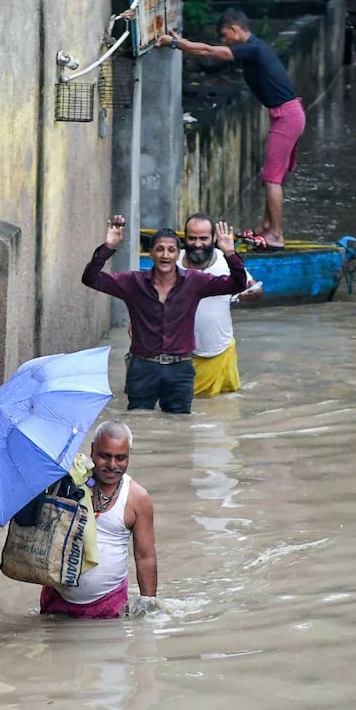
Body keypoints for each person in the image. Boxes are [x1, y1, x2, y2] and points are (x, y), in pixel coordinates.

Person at [157, 8, 307, 249]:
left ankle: (276, 235)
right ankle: (267, 227)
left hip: (287, 116)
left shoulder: (252, 49)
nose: (225, 41)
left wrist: (175, 43)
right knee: (270, 176)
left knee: (272, 179)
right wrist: (182, 41)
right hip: (287, 115)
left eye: (226, 35)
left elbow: (207, 51)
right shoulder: (254, 48)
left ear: (236, 29)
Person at [81, 214, 248, 414]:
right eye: (159, 249)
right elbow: (91, 279)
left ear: (178, 255)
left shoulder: (195, 282)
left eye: (171, 250)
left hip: (180, 370)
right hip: (142, 368)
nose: (165, 255)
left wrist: (230, 253)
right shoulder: (134, 283)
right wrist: (108, 247)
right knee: (140, 422)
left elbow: (238, 284)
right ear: (150, 253)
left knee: (180, 427)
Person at [40, 421, 157, 619]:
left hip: (110, 605)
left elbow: (145, 558)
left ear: (129, 455)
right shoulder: (71, 481)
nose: (112, 465)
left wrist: (149, 606)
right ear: (93, 450)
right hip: (56, 600)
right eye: (105, 456)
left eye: (121, 458)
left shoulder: (137, 498)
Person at [178, 212, 262, 396]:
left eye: (203, 238)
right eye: (192, 238)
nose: (198, 244)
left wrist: (251, 293)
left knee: (225, 408)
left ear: (213, 238)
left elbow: (253, 287)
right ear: (184, 238)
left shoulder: (225, 261)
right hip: (182, 355)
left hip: (221, 351)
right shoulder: (173, 262)